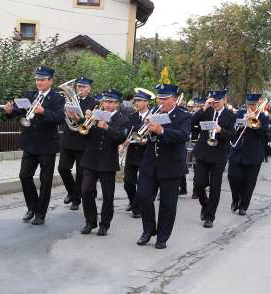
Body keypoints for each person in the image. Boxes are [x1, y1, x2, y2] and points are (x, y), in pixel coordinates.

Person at [4, 66, 65, 225]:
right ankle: (32, 207)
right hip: (29, 143)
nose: (39, 82)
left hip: (47, 146)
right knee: (24, 176)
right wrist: (10, 110)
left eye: (43, 80)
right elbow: (18, 112)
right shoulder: (29, 95)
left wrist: (43, 111)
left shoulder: (57, 98)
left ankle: (40, 213)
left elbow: (60, 118)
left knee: (45, 181)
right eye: (37, 79)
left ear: (50, 81)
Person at [136, 84, 191, 249]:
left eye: (165, 99)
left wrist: (161, 131)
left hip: (171, 165)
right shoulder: (154, 112)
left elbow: (183, 136)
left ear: (174, 99)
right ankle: (148, 229)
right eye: (159, 98)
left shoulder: (183, 116)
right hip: (150, 163)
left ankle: (162, 237)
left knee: (168, 204)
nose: (161, 101)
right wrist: (146, 135)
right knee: (143, 196)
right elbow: (144, 132)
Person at [80, 89, 129, 236]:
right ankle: (90, 221)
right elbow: (84, 136)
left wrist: (107, 128)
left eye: (111, 102)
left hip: (108, 161)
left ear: (117, 104)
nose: (107, 104)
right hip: (90, 159)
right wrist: (85, 121)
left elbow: (120, 138)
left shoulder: (122, 120)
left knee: (108, 196)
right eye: (106, 101)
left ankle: (104, 224)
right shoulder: (96, 114)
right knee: (86, 191)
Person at [191, 90, 236, 228]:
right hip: (203, 153)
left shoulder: (230, 115)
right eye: (213, 101)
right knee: (198, 184)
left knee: (215, 187)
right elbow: (191, 121)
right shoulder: (207, 111)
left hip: (218, 156)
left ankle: (210, 216)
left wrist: (220, 130)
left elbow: (232, 135)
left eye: (217, 101)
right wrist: (204, 107)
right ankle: (205, 205)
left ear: (224, 100)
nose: (215, 104)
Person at [58, 77, 97, 211]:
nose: (80, 89)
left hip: (83, 143)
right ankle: (72, 191)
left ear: (89, 89)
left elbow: (90, 125)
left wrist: (78, 118)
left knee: (80, 174)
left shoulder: (93, 103)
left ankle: (76, 199)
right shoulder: (67, 101)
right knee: (62, 168)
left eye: (83, 87)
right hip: (68, 140)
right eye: (79, 87)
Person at [228, 94, 268, 216]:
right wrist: (240, 124)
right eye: (248, 104)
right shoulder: (240, 113)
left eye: (252, 104)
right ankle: (236, 198)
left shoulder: (263, 116)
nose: (250, 106)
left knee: (249, 182)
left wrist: (254, 121)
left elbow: (264, 135)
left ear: (257, 104)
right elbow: (232, 130)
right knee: (233, 177)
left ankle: (243, 206)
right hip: (237, 152)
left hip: (253, 155)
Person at [123, 89, 152, 218]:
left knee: (142, 184)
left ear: (147, 102)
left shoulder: (153, 116)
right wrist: (125, 140)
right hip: (132, 153)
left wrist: (147, 141)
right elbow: (127, 132)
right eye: (135, 100)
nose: (136, 103)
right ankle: (134, 202)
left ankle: (136, 207)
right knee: (128, 182)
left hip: (146, 153)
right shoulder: (132, 116)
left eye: (139, 100)